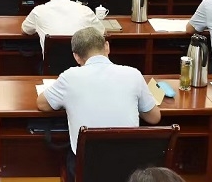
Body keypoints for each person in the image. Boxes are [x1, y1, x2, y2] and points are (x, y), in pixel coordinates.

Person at [36, 27, 161, 182]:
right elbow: (154, 118)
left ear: (76, 57)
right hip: (128, 169)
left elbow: (42, 104)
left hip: (87, 168)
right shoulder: (133, 74)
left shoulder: (69, 77)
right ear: (107, 47)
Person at [22, 0, 104, 52]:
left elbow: (25, 30)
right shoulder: (85, 11)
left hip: (52, 60)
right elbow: (101, 31)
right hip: (81, 59)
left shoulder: (38, 11)